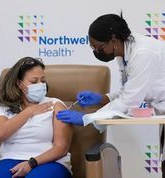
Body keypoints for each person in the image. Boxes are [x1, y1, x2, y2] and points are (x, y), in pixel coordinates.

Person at [56, 13, 165, 177]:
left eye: (98, 47)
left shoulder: (142, 54)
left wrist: (88, 118)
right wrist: (103, 98)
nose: (96, 51)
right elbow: (128, 91)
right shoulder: (124, 48)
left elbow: (129, 101)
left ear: (113, 40)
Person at [0, 57, 73, 178]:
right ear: (19, 84)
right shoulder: (4, 107)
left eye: (43, 80)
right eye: (34, 82)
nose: (40, 85)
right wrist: (29, 111)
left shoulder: (55, 105)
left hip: (49, 162)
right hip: (9, 160)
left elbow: (61, 147)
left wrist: (31, 163)